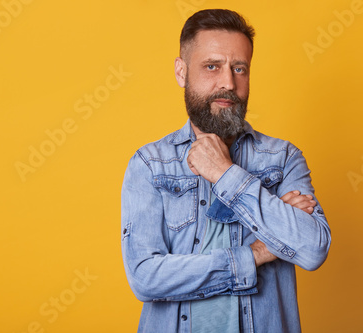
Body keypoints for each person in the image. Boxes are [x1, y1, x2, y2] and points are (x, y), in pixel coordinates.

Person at [121, 9, 331, 333]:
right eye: (211, 66)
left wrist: (225, 173)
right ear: (181, 72)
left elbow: (314, 248)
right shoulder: (150, 164)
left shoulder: (283, 158)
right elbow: (145, 278)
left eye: (239, 68)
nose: (228, 83)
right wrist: (258, 252)